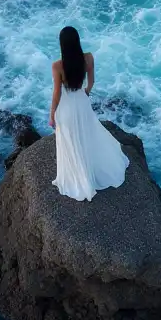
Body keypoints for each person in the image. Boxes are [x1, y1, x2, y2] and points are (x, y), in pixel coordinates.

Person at [48, 26, 129, 201]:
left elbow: (57, 94)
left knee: (71, 140)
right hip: (82, 102)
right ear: (77, 41)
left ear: (62, 45)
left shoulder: (57, 66)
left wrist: (52, 113)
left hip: (67, 107)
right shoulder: (88, 58)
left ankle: (78, 175)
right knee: (86, 135)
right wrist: (85, 92)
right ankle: (90, 170)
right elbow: (91, 82)